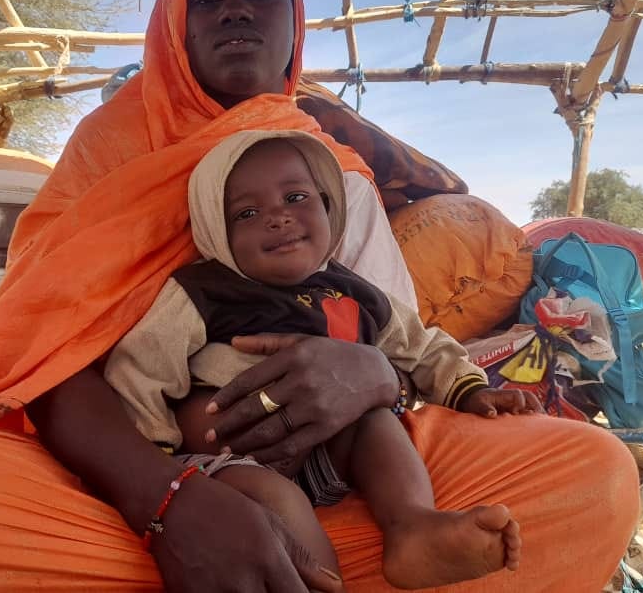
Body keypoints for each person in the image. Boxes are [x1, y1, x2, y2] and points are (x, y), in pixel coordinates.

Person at [0, 0, 640, 592]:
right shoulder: (107, 151)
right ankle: (272, 557)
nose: (236, 8)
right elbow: (42, 365)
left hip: (351, 472)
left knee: (593, 472)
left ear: (292, 24)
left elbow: (400, 342)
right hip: (137, 479)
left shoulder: (331, 170)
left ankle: (358, 552)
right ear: (175, 24)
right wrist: (169, 503)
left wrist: (370, 376)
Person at [106, 128, 535, 589]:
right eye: (247, 212)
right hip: (237, 458)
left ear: (330, 207)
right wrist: (159, 453)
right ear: (216, 231)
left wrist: (471, 390)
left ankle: (412, 526)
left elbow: (421, 344)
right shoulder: (204, 289)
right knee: (278, 500)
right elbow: (142, 365)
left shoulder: (356, 291)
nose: (278, 218)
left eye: (295, 197)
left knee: (375, 422)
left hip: (332, 448)